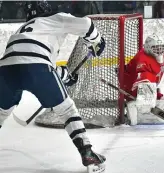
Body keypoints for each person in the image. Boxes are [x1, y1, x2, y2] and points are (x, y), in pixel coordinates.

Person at [0, 1, 106, 173]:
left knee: (1, 113)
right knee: (67, 110)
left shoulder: (21, 30)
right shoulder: (54, 18)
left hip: (5, 69)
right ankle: (87, 152)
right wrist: (97, 41)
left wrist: (65, 76)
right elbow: (86, 24)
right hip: (38, 66)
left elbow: (32, 58)